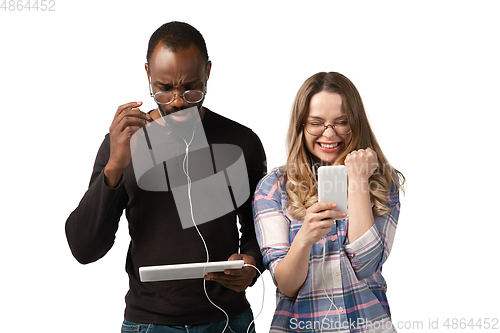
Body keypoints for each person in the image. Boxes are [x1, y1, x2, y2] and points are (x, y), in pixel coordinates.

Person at [65, 21, 266, 333]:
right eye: (164, 88)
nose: (178, 100)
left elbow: (263, 227)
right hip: (149, 323)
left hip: (228, 321)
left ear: (208, 71)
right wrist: (115, 166)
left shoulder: (242, 142)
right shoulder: (122, 145)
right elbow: (84, 248)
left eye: (191, 88)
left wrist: (251, 263)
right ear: (147, 73)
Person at [253, 72, 405, 333]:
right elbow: (286, 285)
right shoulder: (274, 187)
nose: (329, 133)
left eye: (341, 122)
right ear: (301, 125)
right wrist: (304, 238)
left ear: (356, 124)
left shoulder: (381, 181)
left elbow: (367, 264)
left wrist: (357, 181)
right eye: (316, 123)